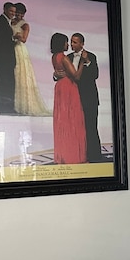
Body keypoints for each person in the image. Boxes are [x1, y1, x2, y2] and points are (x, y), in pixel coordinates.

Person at [50, 33, 87, 164]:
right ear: (61, 44)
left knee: (63, 121)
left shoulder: (54, 57)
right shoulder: (64, 58)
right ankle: (73, 156)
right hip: (68, 89)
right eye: (66, 42)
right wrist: (82, 62)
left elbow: (58, 72)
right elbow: (76, 76)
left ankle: (64, 156)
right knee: (72, 121)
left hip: (60, 88)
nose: (68, 45)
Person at [11, 2, 51, 116]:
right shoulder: (11, 22)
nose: (19, 15)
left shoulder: (25, 25)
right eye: (18, 13)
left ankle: (25, 105)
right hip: (11, 50)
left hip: (20, 50)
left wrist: (16, 36)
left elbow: (24, 39)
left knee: (22, 75)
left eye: (21, 14)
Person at [68, 33, 103, 162]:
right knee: (75, 128)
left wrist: (87, 61)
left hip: (89, 99)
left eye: (75, 42)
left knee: (91, 128)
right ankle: (78, 156)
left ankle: (94, 157)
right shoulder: (68, 57)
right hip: (73, 98)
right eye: (71, 42)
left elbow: (95, 75)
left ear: (82, 44)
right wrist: (55, 75)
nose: (72, 44)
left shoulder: (91, 56)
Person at [0, 1, 17, 114]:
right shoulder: (0, 22)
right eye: (11, 11)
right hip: (3, 59)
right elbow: (3, 41)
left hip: (5, 59)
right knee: (5, 84)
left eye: (14, 12)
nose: (13, 13)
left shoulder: (5, 21)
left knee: (8, 83)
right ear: (5, 9)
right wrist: (15, 41)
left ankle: (8, 108)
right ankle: (6, 109)